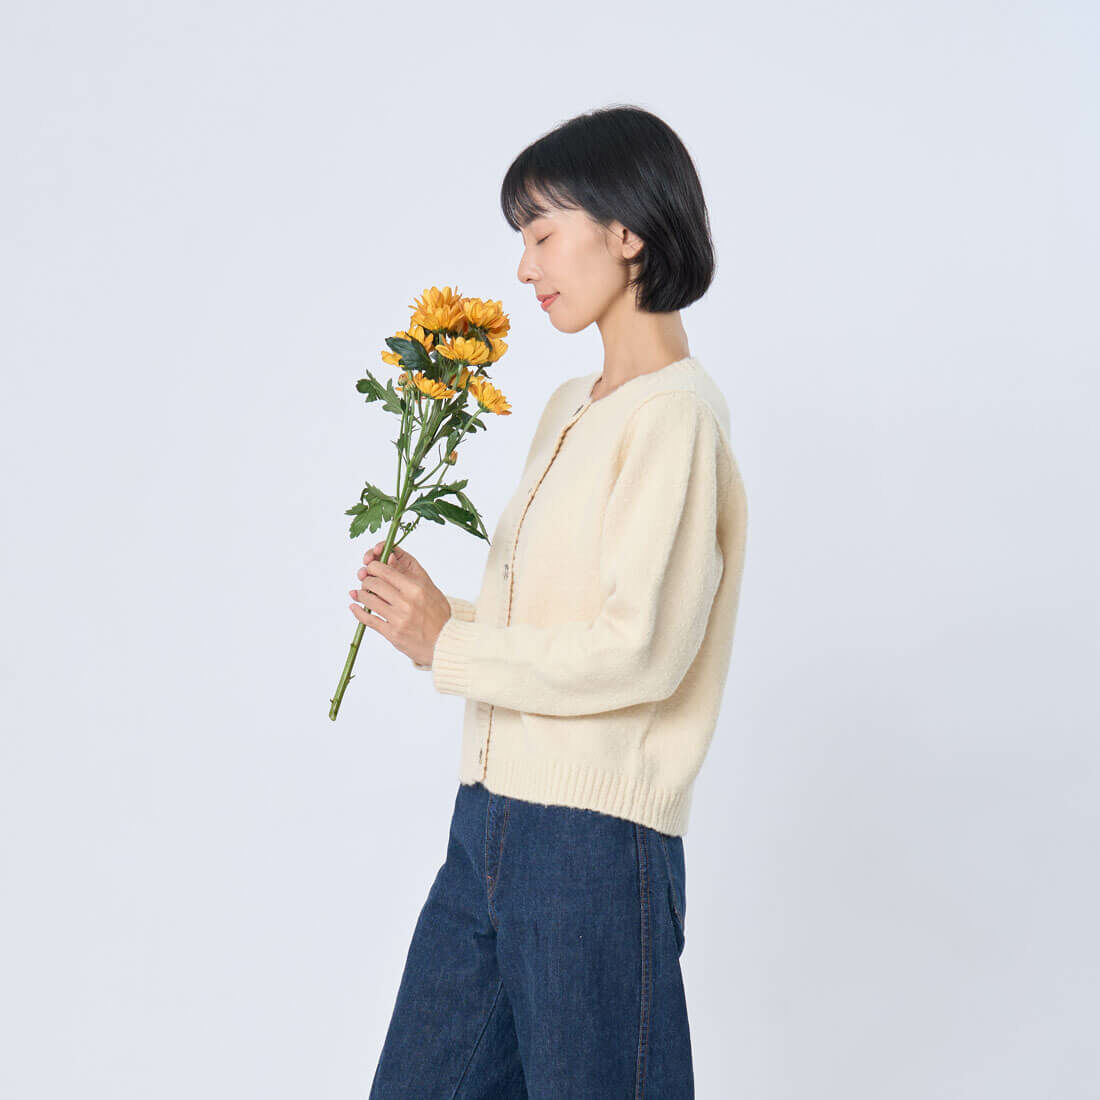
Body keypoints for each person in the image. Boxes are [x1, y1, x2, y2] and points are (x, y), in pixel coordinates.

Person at [350, 104, 749, 1098]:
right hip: (486, 823)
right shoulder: (572, 405)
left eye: (540, 234)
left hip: (593, 845)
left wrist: (449, 647)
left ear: (628, 231)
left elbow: (638, 649)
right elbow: (553, 633)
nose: (524, 268)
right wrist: (437, 619)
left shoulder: (674, 419)